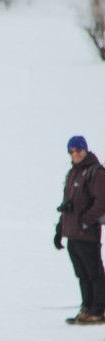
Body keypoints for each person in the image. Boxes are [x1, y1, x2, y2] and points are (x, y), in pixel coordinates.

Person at [54, 135, 105, 324]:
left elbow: (102, 203)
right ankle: (87, 307)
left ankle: (98, 310)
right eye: (71, 151)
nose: (75, 154)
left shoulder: (96, 172)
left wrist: (85, 221)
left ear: (85, 150)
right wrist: (60, 229)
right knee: (82, 274)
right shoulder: (73, 173)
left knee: (94, 273)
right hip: (73, 233)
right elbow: (67, 203)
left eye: (78, 150)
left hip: (87, 233)